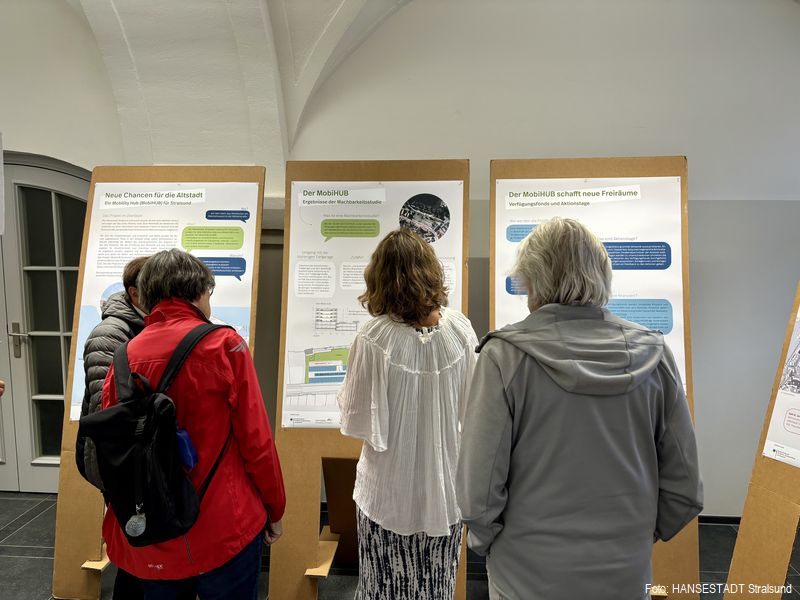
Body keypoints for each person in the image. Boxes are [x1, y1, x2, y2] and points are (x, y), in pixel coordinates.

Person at [456, 217, 703, 600]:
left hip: (526, 574)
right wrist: (634, 538)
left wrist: (491, 544)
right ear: (602, 275)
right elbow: (685, 487)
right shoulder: (655, 356)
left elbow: (479, 492)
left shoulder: (504, 357)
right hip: (624, 574)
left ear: (532, 280)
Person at [101, 249, 285, 600]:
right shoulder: (225, 345)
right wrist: (275, 508)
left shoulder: (123, 357)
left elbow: (112, 446)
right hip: (221, 526)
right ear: (199, 292)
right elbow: (257, 441)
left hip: (151, 528)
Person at [337, 228, 478, 600]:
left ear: (380, 279)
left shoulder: (373, 337)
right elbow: (475, 412)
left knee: (383, 588)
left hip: (387, 495)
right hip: (445, 493)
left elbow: (357, 421)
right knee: (436, 589)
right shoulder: (461, 330)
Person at [78, 256, 163, 600]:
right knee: (134, 550)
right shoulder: (111, 333)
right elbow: (108, 410)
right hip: (117, 458)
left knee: (141, 547)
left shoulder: (140, 326)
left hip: (132, 455)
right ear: (135, 293)